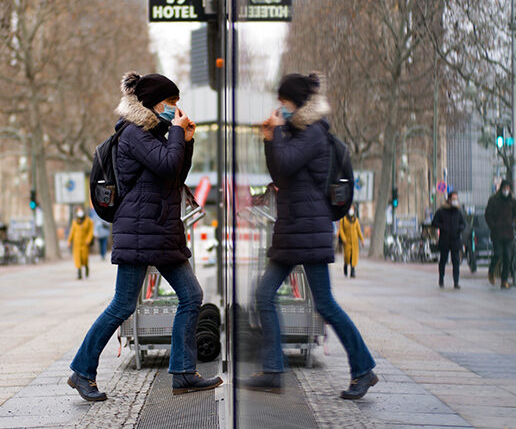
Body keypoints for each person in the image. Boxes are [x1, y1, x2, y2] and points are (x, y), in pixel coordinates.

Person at [67, 72, 222, 401]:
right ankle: (82, 371)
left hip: (160, 230)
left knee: (191, 296)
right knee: (122, 305)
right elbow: (167, 165)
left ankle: (182, 372)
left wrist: (187, 140)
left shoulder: (154, 133)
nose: (175, 109)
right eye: (171, 103)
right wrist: (178, 135)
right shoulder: (134, 134)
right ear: (154, 103)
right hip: (140, 231)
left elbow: (175, 175)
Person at [243, 73, 378, 400]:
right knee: (266, 296)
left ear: (297, 102)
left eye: (284, 102)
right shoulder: (297, 131)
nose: (280, 108)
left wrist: (275, 134)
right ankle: (274, 370)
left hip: (308, 230)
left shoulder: (314, 132)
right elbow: (278, 171)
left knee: (325, 305)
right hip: (294, 229)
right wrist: (269, 137)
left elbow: (286, 163)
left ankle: (363, 369)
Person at [485, 179, 516, 289]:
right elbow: (488, 214)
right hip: (497, 233)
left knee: (508, 257)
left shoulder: (512, 201)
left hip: (509, 233)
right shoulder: (494, 200)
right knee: (498, 253)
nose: (506, 191)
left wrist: (513, 222)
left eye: (508, 189)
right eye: (504, 189)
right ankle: (491, 271)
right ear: (501, 189)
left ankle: (504, 280)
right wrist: (493, 226)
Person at [432, 191, 466, 289]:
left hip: (455, 239)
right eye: (453, 199)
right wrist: (443, 227)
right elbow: (434, 222)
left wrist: (460, 228)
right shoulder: (441, 211)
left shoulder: (458, 212)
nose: (455, 201)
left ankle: (456, 281)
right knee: (443, 260)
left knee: (456, 261)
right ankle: (441, 279)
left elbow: (463, 223)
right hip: (445, 240)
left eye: (456, 199)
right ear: (449, 200)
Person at [68, 206, 94, 279]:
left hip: (85, 243)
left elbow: (91, 231)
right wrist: (69, 241)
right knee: (77, 258)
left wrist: (88, 240)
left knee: (84, 258)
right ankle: (79, 273)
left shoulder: (88, 221)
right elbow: (72, 232)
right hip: (77, 244)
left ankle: (86, 267)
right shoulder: (74, 222)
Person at [338, 207, 364, 278]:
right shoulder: (343, 220)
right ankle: (345, 265)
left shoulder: (355, 220)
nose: (351, 211)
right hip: (347, 242)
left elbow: (358, 231)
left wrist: (362, 240)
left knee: (354, 257)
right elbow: (341, 230)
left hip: (355, 242)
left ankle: (353, 271)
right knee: (347, 257)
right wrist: (344, 238)